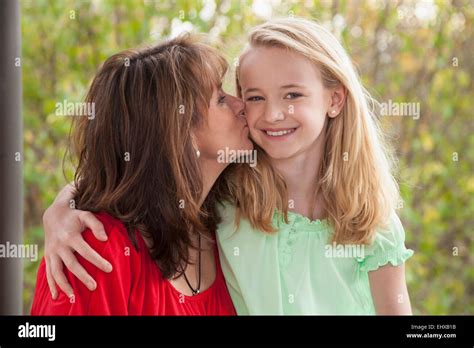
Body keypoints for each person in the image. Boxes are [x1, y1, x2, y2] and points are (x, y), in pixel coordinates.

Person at [40, 18, 414, 315]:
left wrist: (68, 204)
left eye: (292, 94)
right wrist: (67, 208)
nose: (249, 108)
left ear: (334, 100)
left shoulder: (218, 214)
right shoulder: (229, 209)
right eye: (227, 97)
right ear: (178, 131)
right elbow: (130, 181)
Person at [31, 34, 253, 315]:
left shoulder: (228, 225)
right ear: (178, 131)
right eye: (220, 98)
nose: (241, 105)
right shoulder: (93, 255)